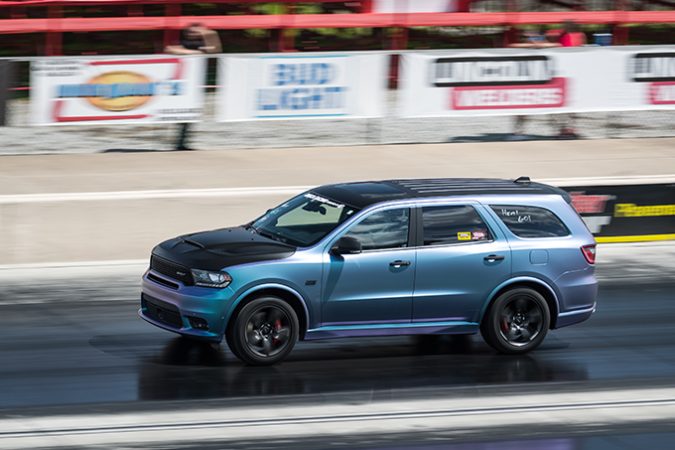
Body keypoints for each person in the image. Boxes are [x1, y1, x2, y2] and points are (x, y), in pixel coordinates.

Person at [165, 24, 222, 150]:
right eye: (191, 31)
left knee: (190, 115)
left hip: (194, 86)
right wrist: (193, 53)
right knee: (177, 113)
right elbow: (169, 49)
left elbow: (215, 50)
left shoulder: (204, 42)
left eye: (196, 31)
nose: (193, 33)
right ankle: (178, 141)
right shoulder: (183, 43)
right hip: (180, 84)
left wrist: (210, 34)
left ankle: (182, 142)